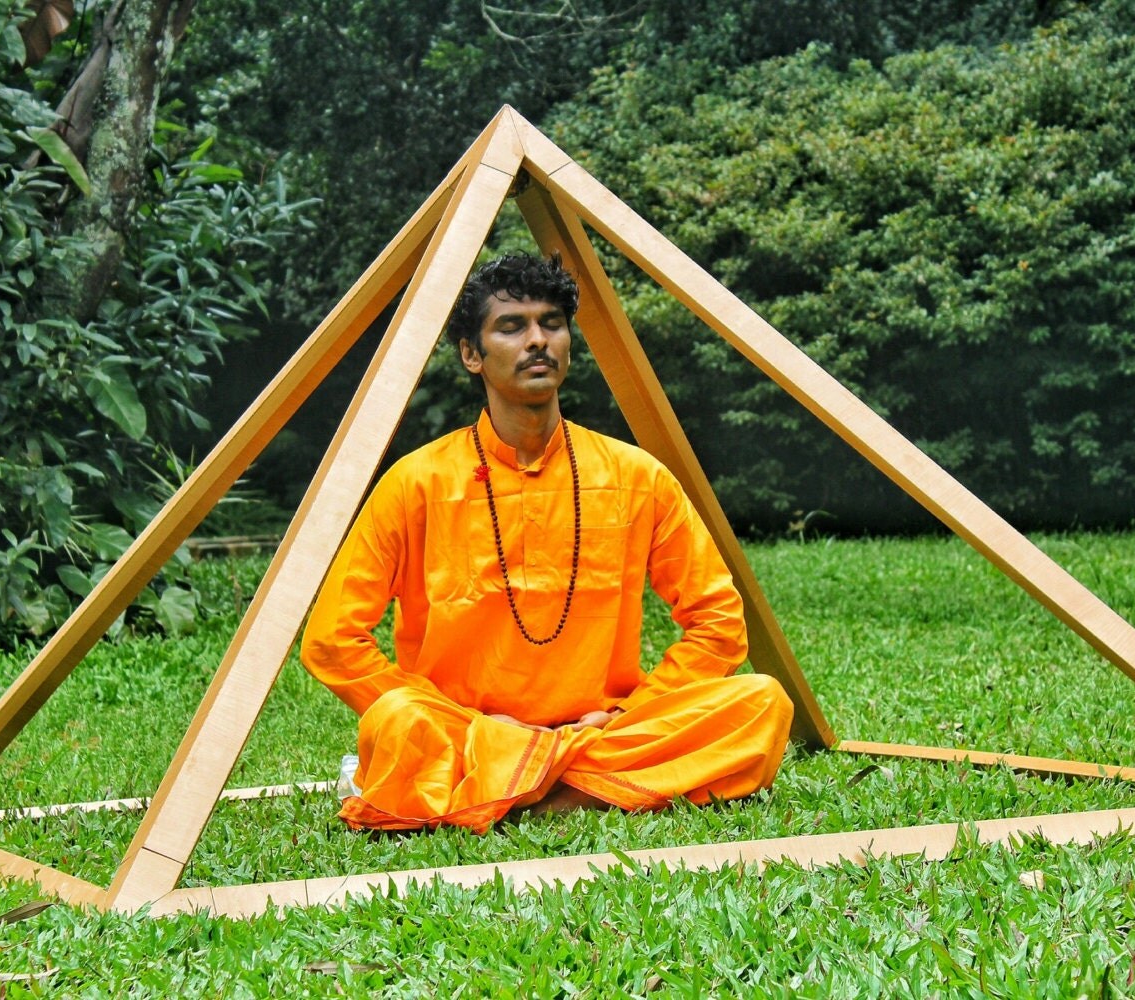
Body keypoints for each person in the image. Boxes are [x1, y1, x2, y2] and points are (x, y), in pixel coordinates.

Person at [301, 252, 793, 832]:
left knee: (761, 703)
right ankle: (567, 791)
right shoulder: (417, 482)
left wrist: (624, 715)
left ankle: (506, 795)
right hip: (467, 731)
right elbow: (332, 641)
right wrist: (456, 725)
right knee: (398, 718)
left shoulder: (637, 475)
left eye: (551, 323)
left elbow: (718, 622)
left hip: (602, 728)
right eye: (512, 327)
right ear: (471, 355)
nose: (537, 340)